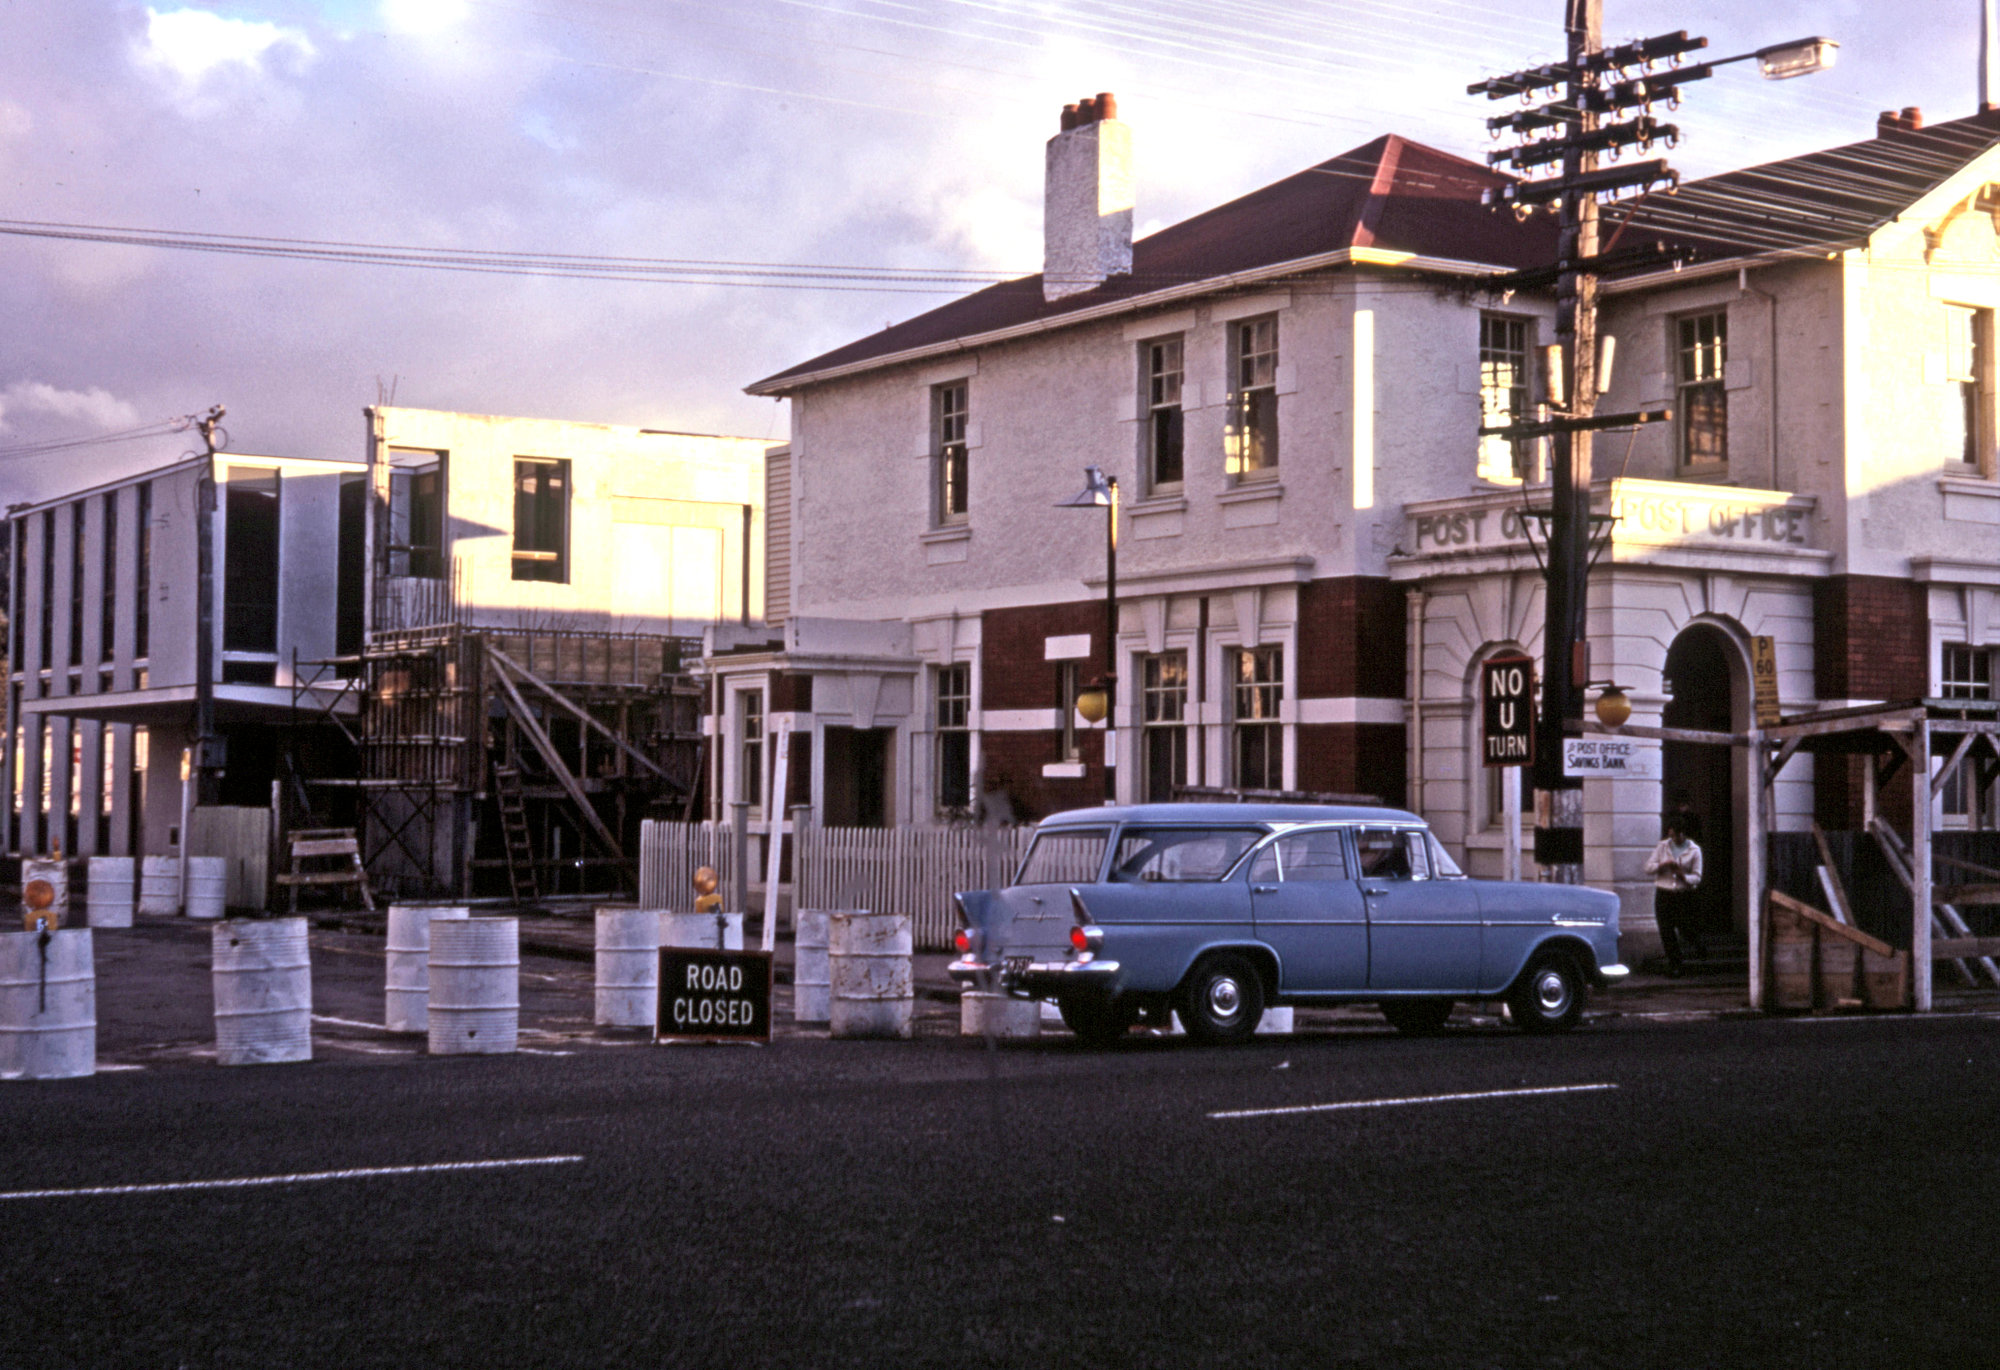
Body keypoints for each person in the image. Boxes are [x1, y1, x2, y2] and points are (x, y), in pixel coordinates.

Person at [1644, 815, 1705, 976]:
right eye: (1671, 835)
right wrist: (1662, 865)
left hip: (1682, 895)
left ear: (1683, 834)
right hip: (1664, 893)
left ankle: (1698, 944)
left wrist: (1683, 876)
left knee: (1685, 928)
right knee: (1666, 930)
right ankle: (1675, 964)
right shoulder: (1662, 846)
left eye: (1677, 835)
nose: (1674, 839)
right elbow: (1648, 868)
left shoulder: (1694, 850)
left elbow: (1697, 877)